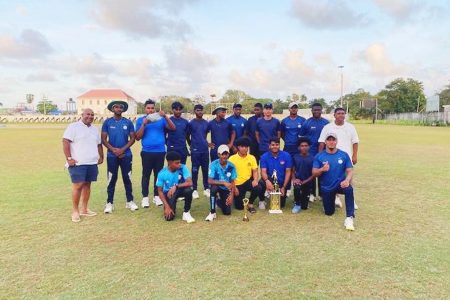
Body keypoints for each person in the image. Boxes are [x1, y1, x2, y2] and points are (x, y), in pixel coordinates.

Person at [62, 108, 103, 222]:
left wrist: (101, 156)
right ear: (82, 115)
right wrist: (69, 158)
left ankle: (84, 209)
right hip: (78, 162)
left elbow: (99, 144)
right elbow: (65, 141)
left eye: (92, 115)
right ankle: (75, 211)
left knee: (87, 185)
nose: (90, 116)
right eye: (87, 114)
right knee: (78, 186)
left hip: (91, 162)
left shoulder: (95, 129)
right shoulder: (73, 127)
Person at [135, 99, 176, 208]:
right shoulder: (140, 120)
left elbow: (173, 128)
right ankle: (145, 198)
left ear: (155, 109)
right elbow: (137, 137)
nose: (150, 110)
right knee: (146, 175)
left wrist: (166, 116)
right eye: (148, 108)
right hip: (147, 152)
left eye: (152, 108)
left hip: (160, 151)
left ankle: (157, 196)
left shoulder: (160, 119)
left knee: (158, 175)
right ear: (145, 109)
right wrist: (144, 124)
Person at [312, 132, 355, 231]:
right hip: (326, 188)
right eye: (329, 140)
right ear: (326, 142)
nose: (331, 142)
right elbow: (314, 173)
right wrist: (322, 169)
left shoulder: (343, 155)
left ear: (336, 141)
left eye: (333, 140)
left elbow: (350, 170)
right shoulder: (319, 156)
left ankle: (349, 218)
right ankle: (331, 200)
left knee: (349, 189)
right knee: (329, 213)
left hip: (340, 184)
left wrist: (347, 180)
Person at [318, 107, 359, 209]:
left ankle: (351, 200)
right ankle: (335, 197)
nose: (341, 115)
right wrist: (320, 157)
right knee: (332, 179)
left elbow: (355, 142)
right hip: (331, 157)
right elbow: (322, 142)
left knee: (349, 179)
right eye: (339, 113)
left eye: (343, 113)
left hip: (346, 158)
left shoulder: (350, 127)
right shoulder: (328, 127)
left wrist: (354, 155)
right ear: (334, 115)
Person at [101, 101, 137, 213]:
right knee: (112, 179)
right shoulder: (107, 122)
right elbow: (103, 139)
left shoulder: (128, 122)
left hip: (126, 155)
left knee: (127, 178)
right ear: (112, 109)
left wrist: (122, 150)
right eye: (116, 107)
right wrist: (113, 150)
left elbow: (132, 139)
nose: (118, 108)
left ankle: (129, 201)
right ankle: (109, 203)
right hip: (112, 156)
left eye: (120, 107)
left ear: (123, 110)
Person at [300, 102, 329, 202]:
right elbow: (301, 138)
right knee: (311, 173)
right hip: (311, 153)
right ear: (311, 111)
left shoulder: (326, 123)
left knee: (323, 172)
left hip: (324, 152)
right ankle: (311, 193)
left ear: (321, 110)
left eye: (318, 109)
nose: (317, 111)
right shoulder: (307, 123)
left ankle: (322, 194)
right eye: (315, 110)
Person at [156, 151, 195, 223]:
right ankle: (171, 205)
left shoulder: (183, 167)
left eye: (179, 162)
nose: (179, 164)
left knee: (189, 190)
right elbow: (160, 191)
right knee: (169, 218)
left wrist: (176, 187)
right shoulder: (162, 173)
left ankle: (186, 213)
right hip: (169, 193)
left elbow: (190, 182)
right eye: (176, 163)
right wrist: (167, 206)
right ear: (170, 163)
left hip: (180, 189)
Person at [258, 137, 292, 210]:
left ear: (279, 145)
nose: (275, 146)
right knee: (260, 183)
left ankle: (275, 192)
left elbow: (288, 172)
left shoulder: (286, 155)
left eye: (277, 145)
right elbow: (263, 172)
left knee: (281, 205)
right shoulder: (264, 156)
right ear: (269, 146)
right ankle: (262, 201)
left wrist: (283, 187)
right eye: (273, 145)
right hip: (270, 180)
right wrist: (267, 181)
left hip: (281, 182)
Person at [205, 145, 237, 222]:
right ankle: (212, 212)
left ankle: (218, 201)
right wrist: (224, 183)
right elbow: (209, 181)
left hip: (226, 189)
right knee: (213, 189)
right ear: (219, 154)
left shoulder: (232, 166)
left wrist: (232, 195)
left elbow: (232, 182)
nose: (225, 156)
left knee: (227, 212)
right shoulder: (213, 164)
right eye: (223, 154)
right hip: (217, 186)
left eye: (226, 154)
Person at [229, 137, 260, 213]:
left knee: (258, 187)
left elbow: (255, 171)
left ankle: (250, 203)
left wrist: (255, 180)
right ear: (238, 147)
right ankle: (233, 197)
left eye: (246, 147)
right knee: (239, 207)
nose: (244, 149)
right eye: (242, 146)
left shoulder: (252, 158)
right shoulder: (232, 159)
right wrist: (234, 187)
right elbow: (229, 175)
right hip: (236, 184)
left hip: (247, 182)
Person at [187, 104, 210, 199]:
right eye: (197, 110)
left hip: (204, 150)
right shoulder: (191, 123)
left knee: (205, 170)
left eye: (201, 110)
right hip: (195, 151)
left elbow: (204, 135)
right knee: (195, 170)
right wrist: (191, 145)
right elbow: (187, 136)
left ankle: (206, 188)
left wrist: (206, 143)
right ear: (194, 111)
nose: (199, 112)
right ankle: (194, 190)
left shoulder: (206, 123)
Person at [291, 137, 314, 213]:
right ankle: (297, 203)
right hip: (298, 181)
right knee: (297, 188)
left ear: (309, 147)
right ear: (299, 147)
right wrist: (294, 179)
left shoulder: (313, 158)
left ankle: (304, 201)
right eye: (302, 146)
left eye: (306, 145)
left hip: (308, 182)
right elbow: (292, 170)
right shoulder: (295, 157)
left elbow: (313, 174)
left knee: (304, 207)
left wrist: (305, 181)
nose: (304, 147)